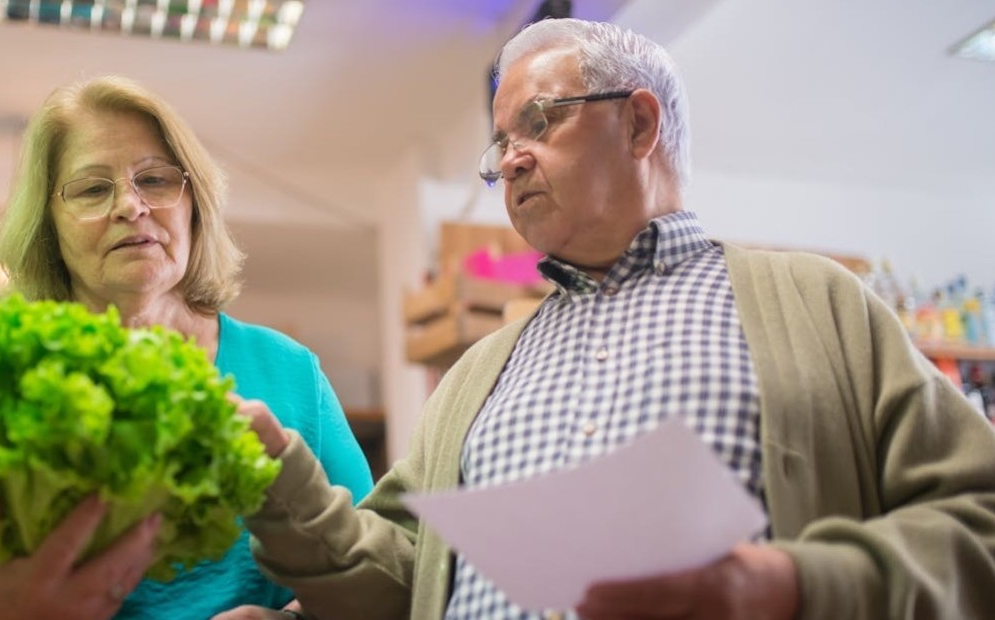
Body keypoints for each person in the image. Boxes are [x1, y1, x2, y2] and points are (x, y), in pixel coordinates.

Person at [238, 17, 995, 620]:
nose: (508, 159)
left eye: (537, 122)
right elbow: (407, 579)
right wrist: (286, 491)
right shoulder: (475, 378)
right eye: (501, 141)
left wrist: (796, 584)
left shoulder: (819, 306)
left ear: (638, 124)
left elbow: (977, 517)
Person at [0, 75, 374, 620]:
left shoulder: (290, 373)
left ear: (193, 204)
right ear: (48, 226)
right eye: (91, 189)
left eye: (153, 179)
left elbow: (376, 560)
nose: (130, 205)